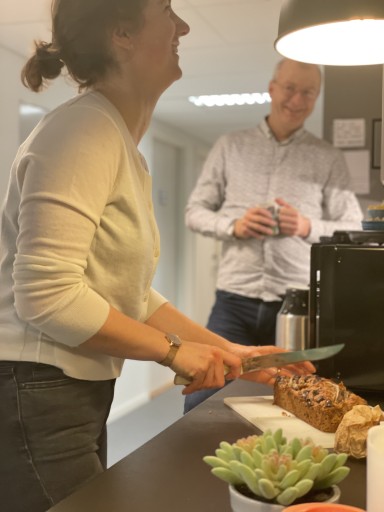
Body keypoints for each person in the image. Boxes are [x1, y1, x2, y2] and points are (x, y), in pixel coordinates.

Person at [0, 3, 315, 511]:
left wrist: (231, 353)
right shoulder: (82, 132)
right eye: (167, 11)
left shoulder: (118, 143)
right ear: (121, 34)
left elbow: (130, 295)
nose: (183, 26)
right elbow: (47, 294)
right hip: (36, 390)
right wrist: (171, 351)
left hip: (66, 392)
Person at [184, 57, 363, 413]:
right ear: (272, 88)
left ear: (317, 97)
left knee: (298, 404)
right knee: (201, 404)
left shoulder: (328, 157)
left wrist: (306, 226)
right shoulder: (229, 146)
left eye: (308, 93)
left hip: (295, 307)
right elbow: (195, 212)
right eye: (290, 89)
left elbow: (354, 226)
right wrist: (234, 226)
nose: (297, 100)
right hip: (233, 302)